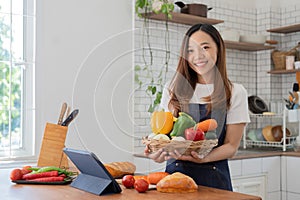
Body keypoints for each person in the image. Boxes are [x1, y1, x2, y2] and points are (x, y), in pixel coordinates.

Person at [144, 23, 250, 191]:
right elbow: (167, 137)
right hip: (174, 181)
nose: (197, 56)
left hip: (215, 183)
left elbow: (231, 146)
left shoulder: (235, 92)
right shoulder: (172, 90)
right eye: (190, 50)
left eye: (205, 47)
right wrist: (158, 153)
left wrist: (202, 159)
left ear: (218, 49)